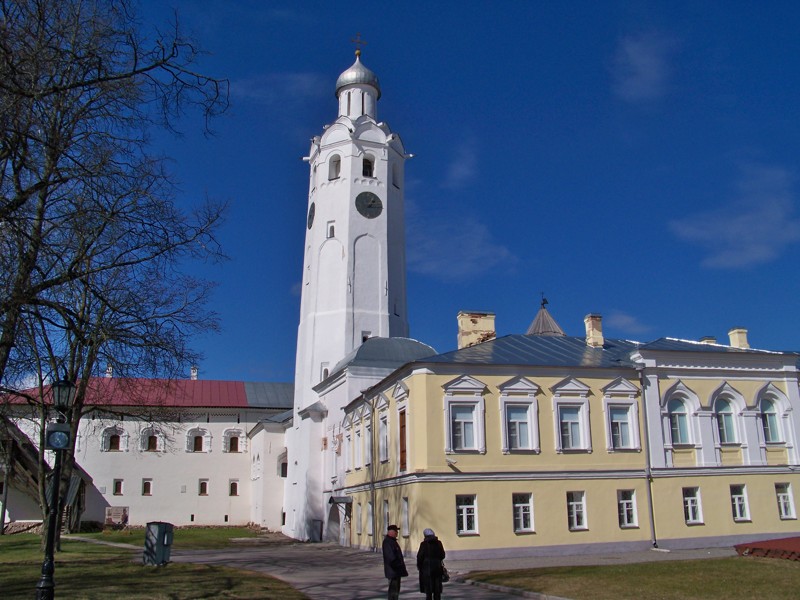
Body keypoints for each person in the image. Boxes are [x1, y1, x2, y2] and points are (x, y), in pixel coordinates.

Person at [416, 528, 446, 600]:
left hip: (427, 568)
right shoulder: (439, 543)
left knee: (428, 590)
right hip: (437, 567)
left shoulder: (424, 544)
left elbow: (420, 556)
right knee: (437, 589)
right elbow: (443, 555)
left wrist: (419, 566)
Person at [382, 524, 408, 600]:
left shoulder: (392, 541)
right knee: (393, 592)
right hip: (393, 571)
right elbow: (391, 557)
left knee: (395, 591)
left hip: (395, 571)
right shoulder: (388, 542)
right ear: (391, 532)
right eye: (396, 531)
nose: (397, 533)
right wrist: (398, 565)